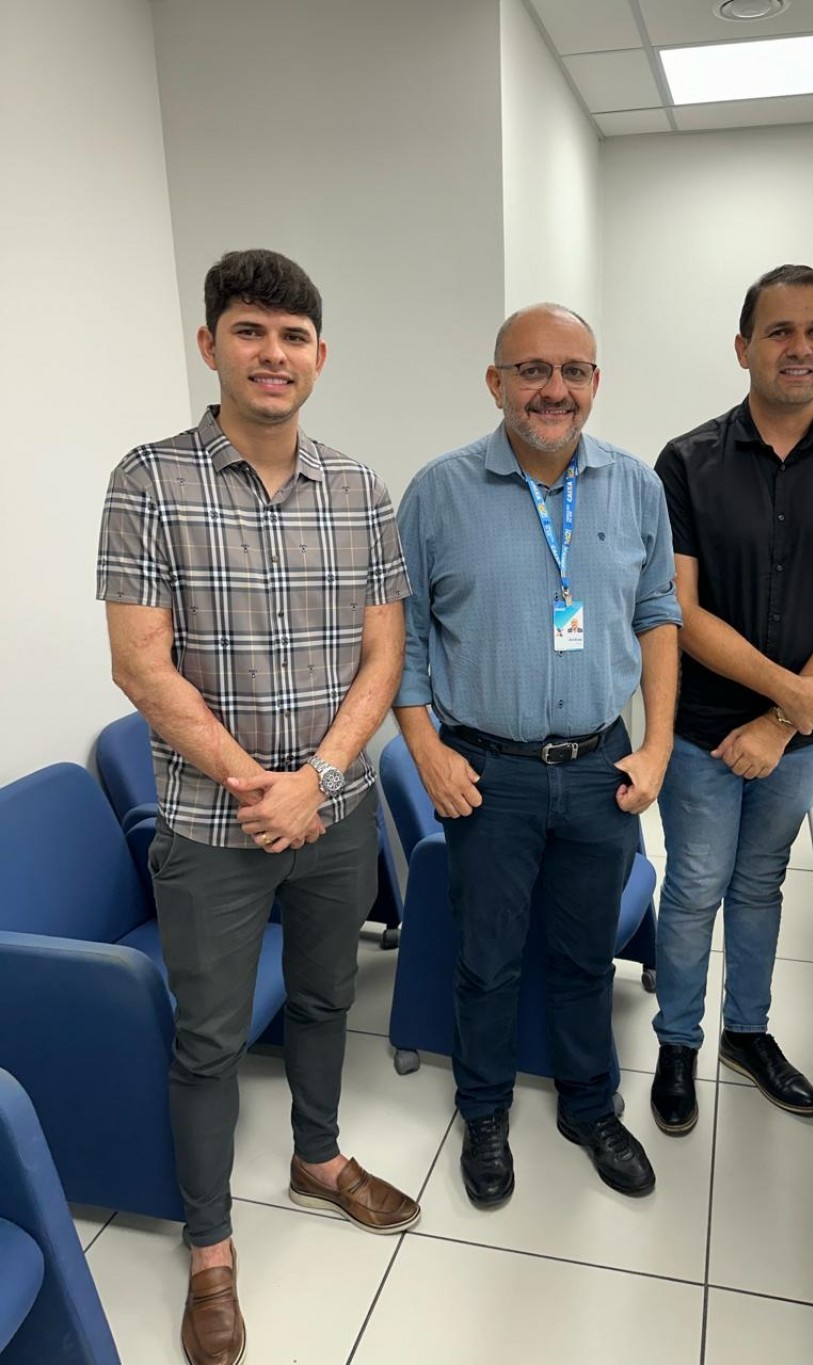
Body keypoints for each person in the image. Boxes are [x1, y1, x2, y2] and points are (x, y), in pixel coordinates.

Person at [97, 249, 419, 1365]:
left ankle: (317, 1158)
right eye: (249, 331)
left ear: (318, 355)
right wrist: (261, 788)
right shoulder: (149, 481)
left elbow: (385, 654)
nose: (272, 354)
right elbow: (140, 665)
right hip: (210, 826)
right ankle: (210, 1250)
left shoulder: (361, 489)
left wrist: (316, 782)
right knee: (209, 1041)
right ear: (211, 345)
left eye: (292, 336)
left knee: (327, 996)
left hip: (337, 814)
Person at [394, 303, 681, 1207]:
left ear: (595, 382)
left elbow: (658, 614)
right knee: (487, 958)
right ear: (496, 382)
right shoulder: (438, 492)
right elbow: (402, 639)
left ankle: (589, 1105)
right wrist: (425, 748)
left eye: (574, 370)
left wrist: (659, 745)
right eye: (532, 370)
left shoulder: (635, 486)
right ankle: (482, 1109)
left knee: (586, 953)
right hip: (487, 771)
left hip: (603, 767)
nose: (554, 389)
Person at [650, 264, 813, 1135]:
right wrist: (787, 697)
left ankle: (747, 1033)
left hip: (798, 740)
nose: (799, 347)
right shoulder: (686, 461)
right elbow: (682, 611)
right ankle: (677, 1043)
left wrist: (780, 721)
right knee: (695, 887)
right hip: (699, 732)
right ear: (744, 347)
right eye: (779, 330)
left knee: (761, 884)